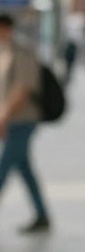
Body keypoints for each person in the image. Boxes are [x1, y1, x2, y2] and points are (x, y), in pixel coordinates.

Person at [0, 12, 51, 233]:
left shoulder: (22, 51)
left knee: (3, 168)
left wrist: (4, 117)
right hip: (11, 120)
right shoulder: (5, 51)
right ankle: (42, 215)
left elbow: (23, 89)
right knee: (24, 169)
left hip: (23, 120)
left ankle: (42, 216)